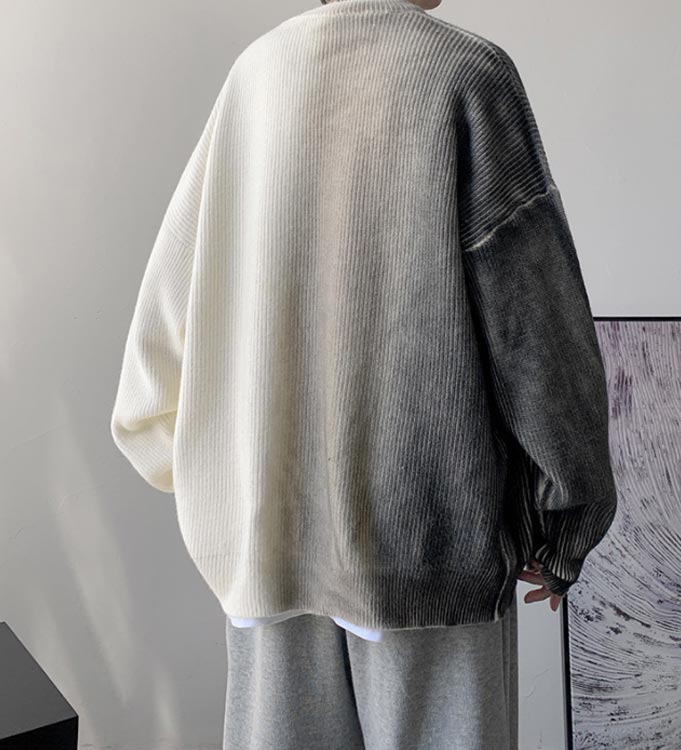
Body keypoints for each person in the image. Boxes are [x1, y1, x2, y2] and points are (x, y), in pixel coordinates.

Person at [109, 0, 619, 746]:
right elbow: (537, 328)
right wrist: (566, 517)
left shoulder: (255, 77)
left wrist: (234, 495)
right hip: (426, 551)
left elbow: (159, 342)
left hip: (267, 553)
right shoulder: (467, 76)